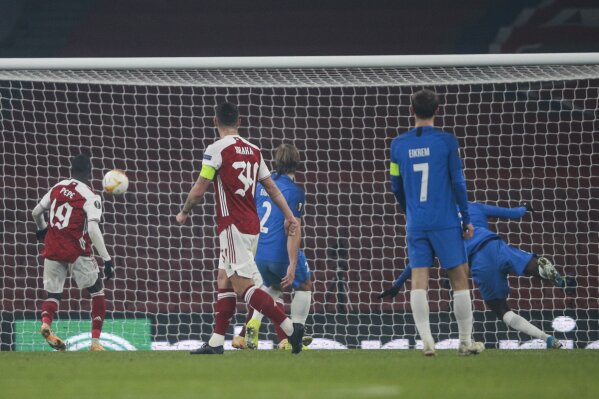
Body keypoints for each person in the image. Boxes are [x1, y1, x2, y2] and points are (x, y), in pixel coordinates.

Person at [176, 102, 304, 355]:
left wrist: (184, 211)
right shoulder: (255, 150)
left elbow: (201, 187)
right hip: (251, 225)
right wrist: (290, 216)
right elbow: (271, 187)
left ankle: (290, 329)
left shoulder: (215, 149)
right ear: (240, 121)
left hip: (232, 225)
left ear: (215, 121)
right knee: (223, 279)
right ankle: (215, 341)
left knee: (243, 287)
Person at [379, 201, 572, 349]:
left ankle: (546, 338)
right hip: (494, 245)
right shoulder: (473, 207)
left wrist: (397, 284)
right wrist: (524, 208)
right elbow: (510, 213)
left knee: (501, 310)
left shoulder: (437, 226)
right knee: (530, 265)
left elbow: (416, 262)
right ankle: (545, 270)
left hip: (478, 262)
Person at [389, 89, 483, 356]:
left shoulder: (398, 145)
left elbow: (395, 184)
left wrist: (409, 210)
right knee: (459, 277)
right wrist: (465, 216)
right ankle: (465, 342)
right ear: (437, 109)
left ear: (412, 111)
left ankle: (427, 340)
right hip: (445, 220)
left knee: (419, 278)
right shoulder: (447, 142)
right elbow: (458, 182)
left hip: (416, 221)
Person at [232, 144, 313, 350]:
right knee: (305, 285)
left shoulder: (261, 186)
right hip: (279, 252)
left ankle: (254, 323)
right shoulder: (295, 191)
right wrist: (293, 264)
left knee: (274, 287)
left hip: (259, 251)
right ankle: (296, 334)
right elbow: (294, 230)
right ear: (297, 163)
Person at [31, 154, 113, 351]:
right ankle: (95, 343)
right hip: (77, 251)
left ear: (72, 170)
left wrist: (42, 229)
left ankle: (46, 324)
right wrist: (107, 259)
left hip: (52, 247)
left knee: (53, 294)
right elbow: (93, 230)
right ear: (89, 172)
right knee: (97, 292)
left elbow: (35, 212)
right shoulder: (90, 196)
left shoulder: (58, 187)